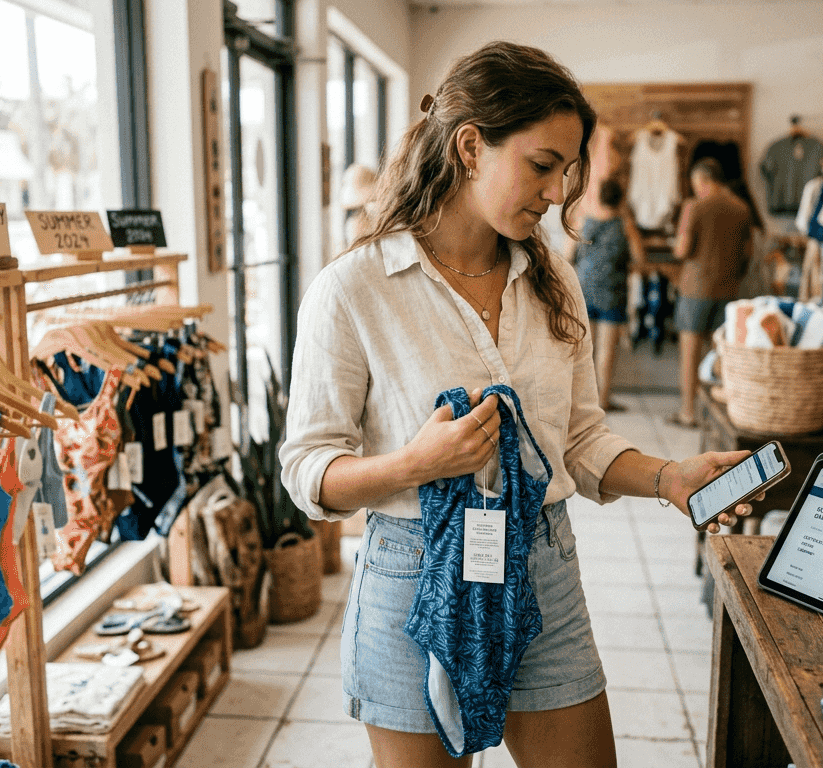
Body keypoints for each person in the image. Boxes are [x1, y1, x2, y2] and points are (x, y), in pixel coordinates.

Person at [279, 41, 756, 768]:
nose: (558, 191)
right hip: (413, 575)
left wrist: (669, 478)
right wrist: (415, 463)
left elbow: (579, 440)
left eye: (567, 170)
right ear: (471, 146)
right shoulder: (355, 288)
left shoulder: (554, 280)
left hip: (542, 564)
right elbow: (308, 473)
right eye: (542, 165)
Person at [667, 157, 753, 427]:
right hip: (728, 289)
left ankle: (688, 412)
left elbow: (682, 250)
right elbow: (747, 253)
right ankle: (716, 414)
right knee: (721, 355)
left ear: (703, 180)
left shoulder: (694, 207)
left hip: (695, 289)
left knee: (690, 353)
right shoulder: (742, 209)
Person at [574, 177, 642, 412]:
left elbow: (567, 253)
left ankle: (584, 402)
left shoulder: (584, 221)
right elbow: (640, 258)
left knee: (585, 350)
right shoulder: (624, 225)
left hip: (584, 289)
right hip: (612, 292)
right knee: (606, 351)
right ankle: (603, 400)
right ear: (621, 199)